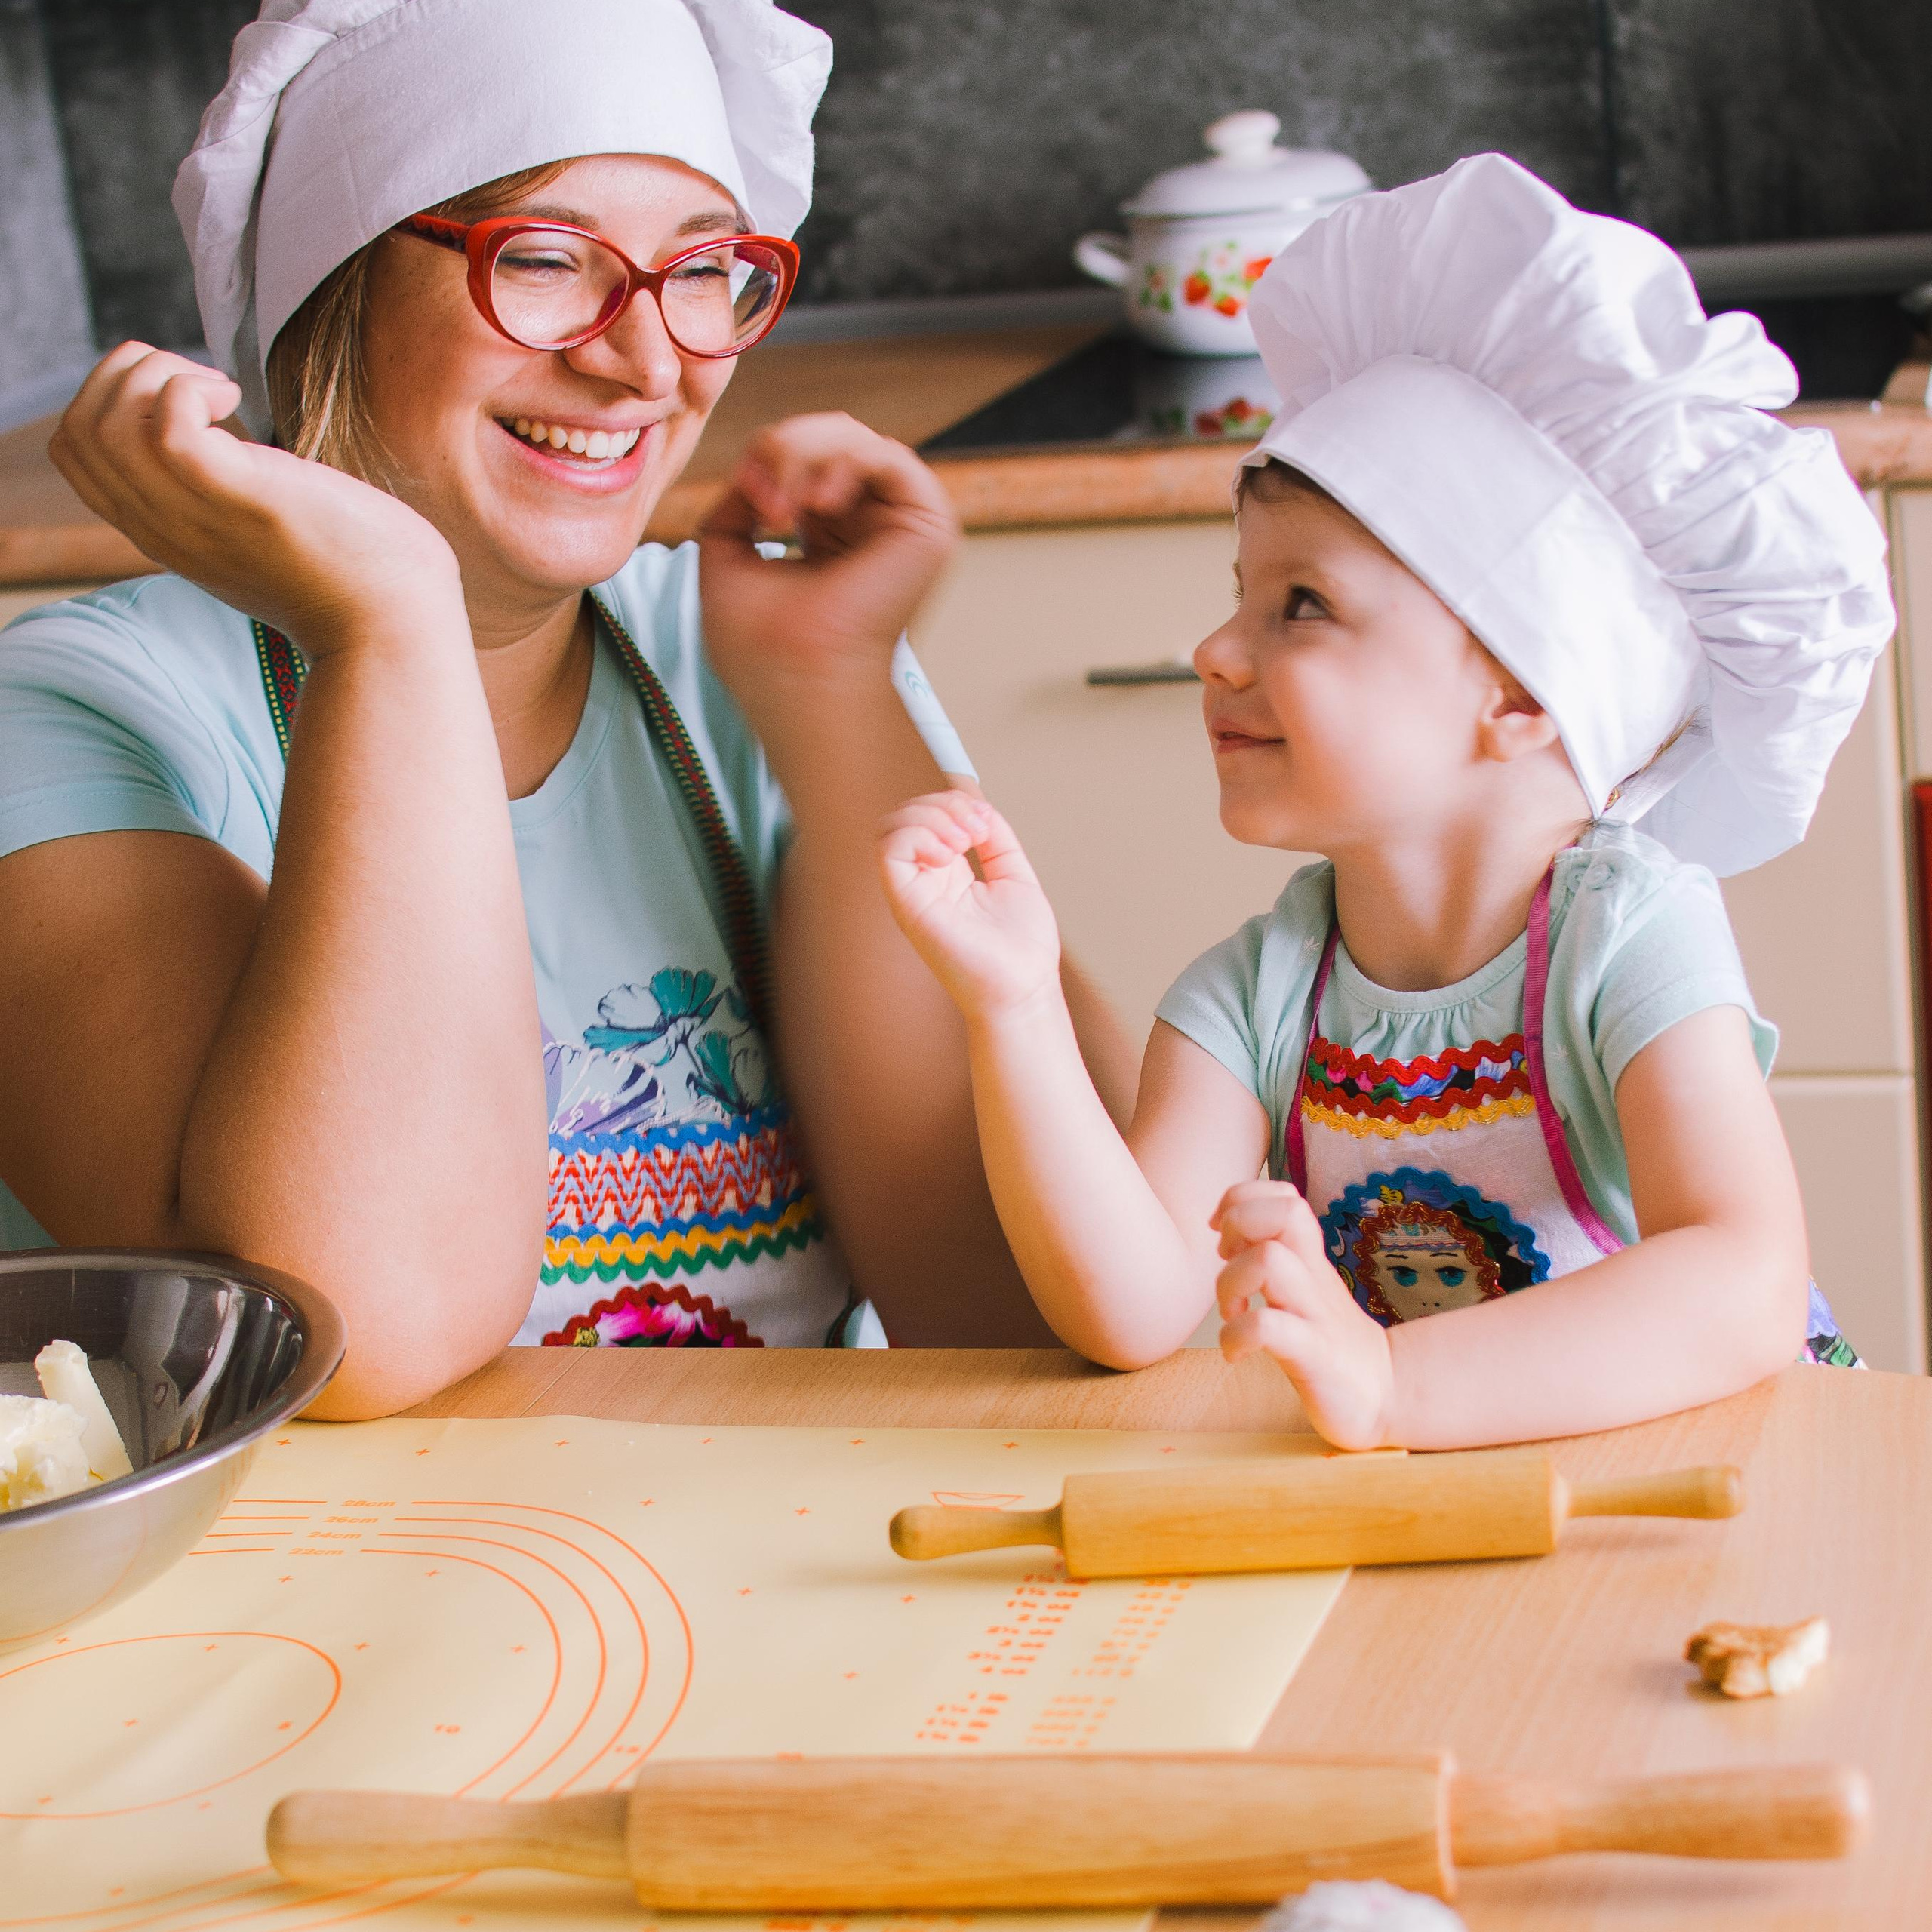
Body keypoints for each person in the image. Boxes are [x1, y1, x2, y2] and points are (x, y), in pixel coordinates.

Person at [0, 0, 1131, 1418]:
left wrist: (836, 699)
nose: (649, 362)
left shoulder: (751, 652)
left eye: (706, 272)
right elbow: (361, 1333)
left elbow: (1024, 1309)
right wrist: (390, 625)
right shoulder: (72, 716)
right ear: (333, 286)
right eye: (543, 260)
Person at [876, 156, 1893, 1451]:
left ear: (1521, 696)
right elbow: (1130, 1308)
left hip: (1709, 1490)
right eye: (1240, 592)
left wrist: (1397, 1386)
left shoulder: (1627, 942)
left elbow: (1742, 1282)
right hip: (1449, 1502)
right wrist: (1010, 1004)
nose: (1215, 649)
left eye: (1301, 604)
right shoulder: (1255, 996)